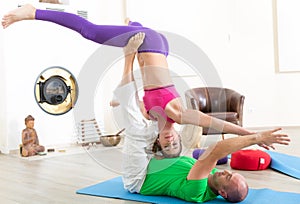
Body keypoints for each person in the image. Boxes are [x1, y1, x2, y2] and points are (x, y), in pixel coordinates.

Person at [2, 4, 265, 158]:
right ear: (176, 136)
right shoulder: (177, 114)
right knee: (89, 30)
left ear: (159, 144)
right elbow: (213, 121)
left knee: (122, 37)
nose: (170, 140)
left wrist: (127, 85)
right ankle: (32, 11)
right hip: (152, 43)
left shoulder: (150, 115)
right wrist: (250, 133)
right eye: (175, 142)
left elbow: (133, 89)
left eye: (166, 145)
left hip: (156, 46)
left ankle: (133, 23)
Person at [114, 35, 291, 203]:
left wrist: (257, 139)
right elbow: (208, 121)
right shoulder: (213, 175)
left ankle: (128, 56)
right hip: (156, 159)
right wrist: (249, 132)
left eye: (228, 177)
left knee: (134, 125)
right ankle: (128, 97)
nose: (225, 172)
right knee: (155, 114)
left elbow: (217, 149)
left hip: (139, 177)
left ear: (222, 192)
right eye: (230, 173)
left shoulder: (197, 190)